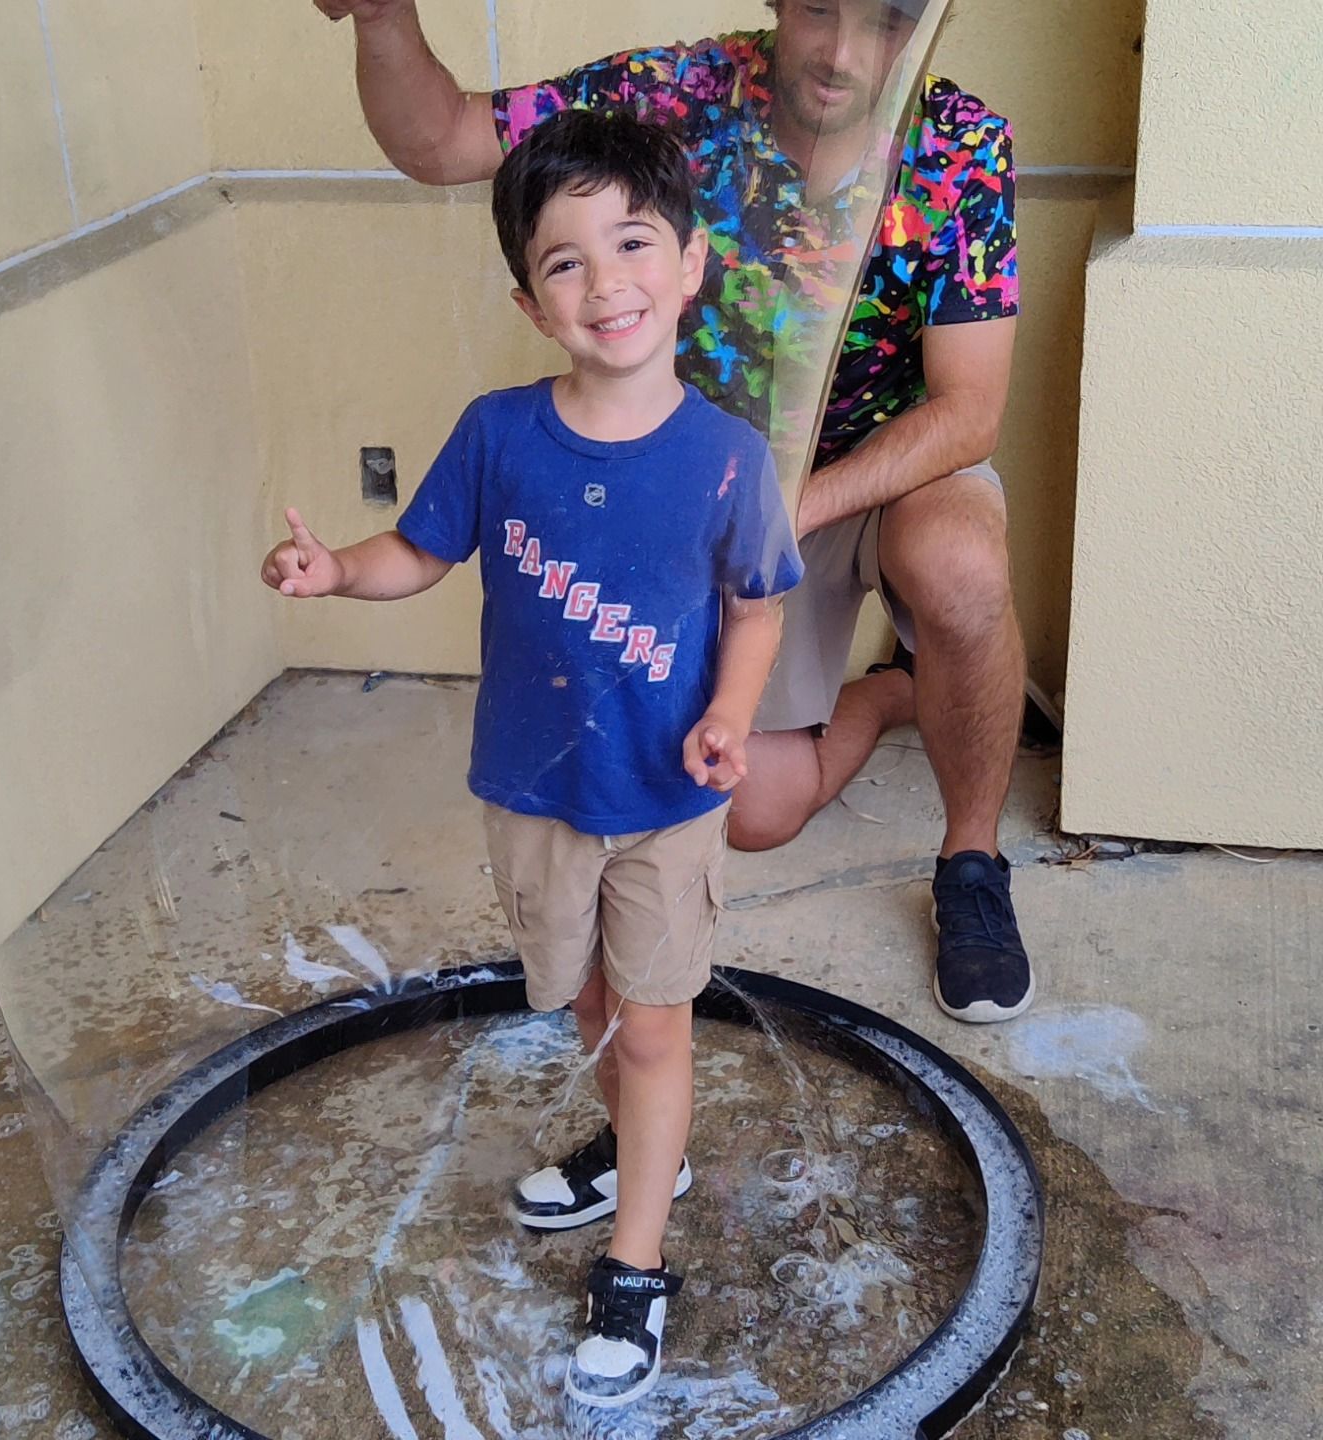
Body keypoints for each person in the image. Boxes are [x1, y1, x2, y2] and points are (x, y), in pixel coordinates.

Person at [309, 0, 1035, 1024]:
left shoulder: (962, 141)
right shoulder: (680, 95)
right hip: (720, 491)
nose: (838, 49)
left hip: (876, 477)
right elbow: (442, 141)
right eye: (817, 9)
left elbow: (969, 412)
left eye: (880, 17)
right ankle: (888, 695)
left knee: (961, 564)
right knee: (763, 811)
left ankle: (971, 861)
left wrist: (799, 502)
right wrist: (381, 19)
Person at [261, 111, 802, 1407]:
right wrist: (339, 570)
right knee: (586, 1004)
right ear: (528, 296)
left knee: (659, 1025)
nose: (605, 280)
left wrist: (732, 709)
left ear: (690, 265)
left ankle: (637, 1260)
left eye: (632, 242)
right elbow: (422, 551)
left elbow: (759, 603)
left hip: (667, 799)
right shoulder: (499, 435)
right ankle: (639, 1150)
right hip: (536, 789)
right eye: (565, 260)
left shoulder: (728, 459)